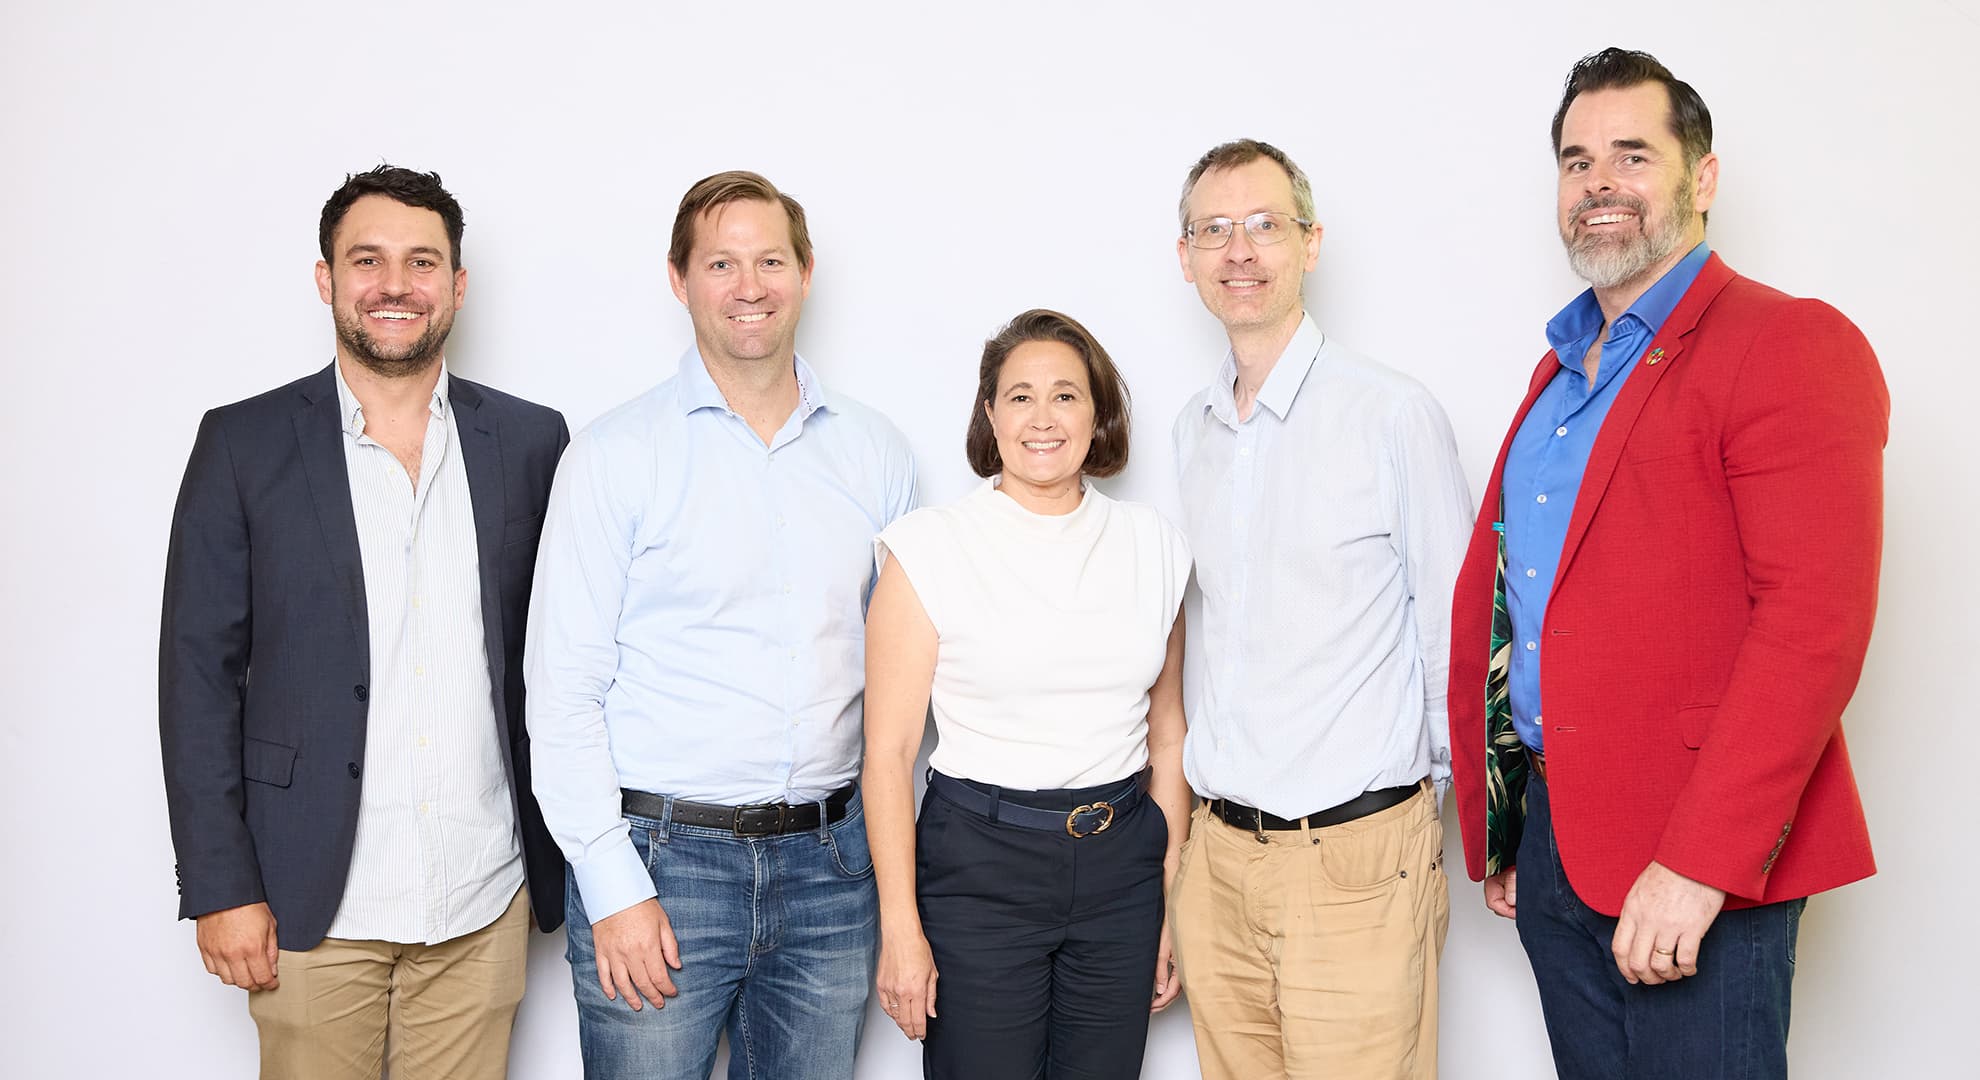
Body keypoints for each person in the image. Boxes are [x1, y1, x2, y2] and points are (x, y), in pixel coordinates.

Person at [1447, 48, 1887, 1080]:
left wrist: (1700, 866)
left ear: (1704, 177)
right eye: (1576, 160)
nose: (1599, 182)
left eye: (1632, 155)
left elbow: (1811, 627)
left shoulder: (1788, 343)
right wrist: (1509, 816)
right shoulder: (1559, 373)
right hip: (1557, 842)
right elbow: (1526, 605)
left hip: (1694, 857)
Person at [158, 165, 569, 1080]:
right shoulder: (243, 444)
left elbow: (563, 659)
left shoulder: (535, 442)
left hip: (482, 897)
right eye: (367, 260)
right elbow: (196, 677)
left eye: (423, 261)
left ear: (458, 285)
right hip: (310, 905)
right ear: (326, 279)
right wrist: (220, 886)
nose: (395, 285)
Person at [525, 170, 917, 1080]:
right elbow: (563, 689)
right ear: (680, 280)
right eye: (721, 263)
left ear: (806, 272)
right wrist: (613, 887)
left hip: (833, 872)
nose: (750, 286)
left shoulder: (876, 454)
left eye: (770, 260)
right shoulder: (616, 456)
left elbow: (906, 690)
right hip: (662, 865)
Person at [1167, 139, 1474, 1079]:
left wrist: (1415, 810)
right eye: (1214, 230)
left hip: (1357, 858)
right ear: (1186, 257)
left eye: (1265, 224)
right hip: (1219, 864)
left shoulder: (1392, 414)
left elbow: (1456, 627)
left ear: (1312, 242)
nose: (1240, 251)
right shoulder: (1194, 431)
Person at [862, 308, 1191, 1079]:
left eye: (1067, 396)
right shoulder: (929, 548)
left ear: (1098, 412)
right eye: (1019, 396)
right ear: (989, 414)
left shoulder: (1155, 547)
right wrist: (901, 928)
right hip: (980, 865)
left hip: (1122, 869)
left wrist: (1169, 903)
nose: (1043, 418)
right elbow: (889, 754)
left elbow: (1168, 735)